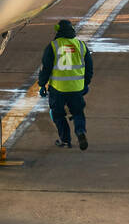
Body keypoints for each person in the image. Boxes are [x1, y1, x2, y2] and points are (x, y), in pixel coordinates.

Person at [37, 19, 92, 149]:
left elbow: (46, 68)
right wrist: (85, 83)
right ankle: (80, 131)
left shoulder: (53, 46)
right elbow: (89, 67)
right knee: (78, 112)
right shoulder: (81, 45)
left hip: (58, 89)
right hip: (76, 88)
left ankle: (65, 140)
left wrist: (42, 85)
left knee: (58, 114)